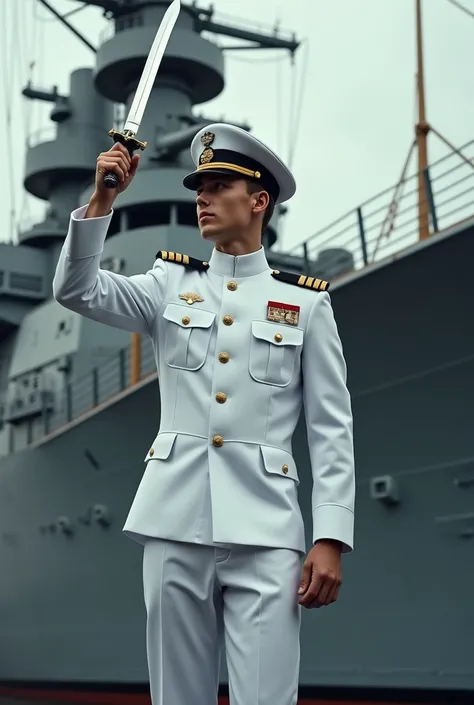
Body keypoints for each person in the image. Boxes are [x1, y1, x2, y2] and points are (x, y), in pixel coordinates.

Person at [52, 123, 355, 705]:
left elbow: (331, 426)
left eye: (218, 186)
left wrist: (331, 537)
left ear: (259, 200)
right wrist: (102, 200)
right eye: (200, 187)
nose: (203, 198)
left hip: (267, 533)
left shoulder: (306, 304)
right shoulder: (168, 284)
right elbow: (76, 290)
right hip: (174, 520)